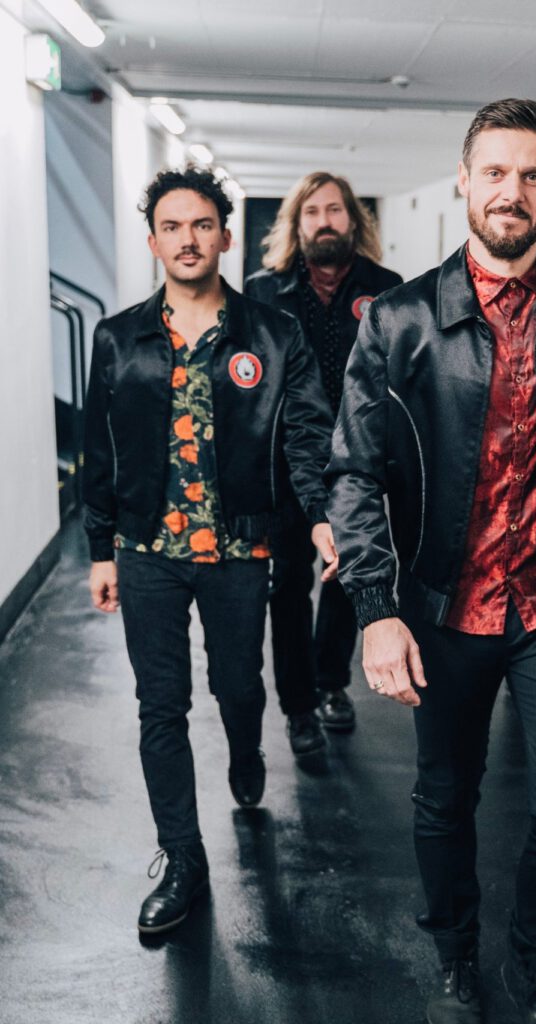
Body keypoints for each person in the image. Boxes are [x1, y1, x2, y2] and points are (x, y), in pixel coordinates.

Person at [323, 99, 536, 1024]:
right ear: (464, 182)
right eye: (496, 173)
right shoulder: (399, 319)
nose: (513, 192)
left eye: (532, 175)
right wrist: (377, 609)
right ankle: (454, 956)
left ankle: (533, 961)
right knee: (444, 799)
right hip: (444, 609)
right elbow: (352, 471)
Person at [83, 165, 335, 934]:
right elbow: (98, 447)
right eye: (171, 227)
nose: (187, 240)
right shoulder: (119, 336)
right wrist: (100, 548)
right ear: (154, 241)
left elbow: (306, 433)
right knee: (160, 705)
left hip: (239, 551)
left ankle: (246, 753)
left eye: (201, 226)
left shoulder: (272, 334)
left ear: (226, 237)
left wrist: (321, 516)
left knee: (239, 687)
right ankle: (182, 858)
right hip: (147, 550)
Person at [245, 172, 402, 755]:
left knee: (345, 578)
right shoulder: (264, 292)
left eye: (335, 210)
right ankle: (298, 706)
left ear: (353, 221)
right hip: (283, 466)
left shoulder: (386, 290)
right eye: (312, 212)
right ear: (297, 223)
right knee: (288, 585)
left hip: (359, 465)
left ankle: (332, 684)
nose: (324, 221)